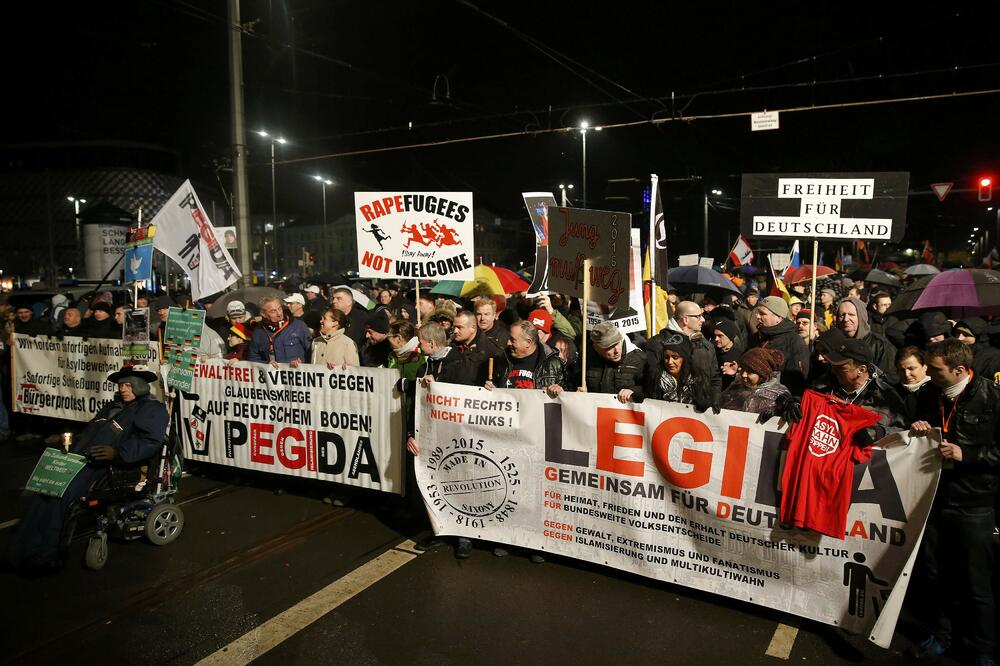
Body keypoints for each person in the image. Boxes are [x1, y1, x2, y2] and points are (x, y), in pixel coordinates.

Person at [6, 366, 168, 573]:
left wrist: (118, 453)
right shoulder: (113, 407)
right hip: (83, 459)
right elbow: (90, 431)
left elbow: (150, 442)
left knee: (63, 494)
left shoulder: (150, 409)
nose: (123, 389)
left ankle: (46, 555)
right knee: (44, 488)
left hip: (113, 466)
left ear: (141, 386)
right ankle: (21, 551)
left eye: (128, 385)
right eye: (121, 385)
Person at [910, 339, 1000, 664]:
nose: (928, 374)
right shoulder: (927, 394)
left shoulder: (993, 396)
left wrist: (968, 454)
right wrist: (917, 428)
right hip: (935, 497)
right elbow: (914, 431)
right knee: (935, 575)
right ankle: (941, 634)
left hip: (975, 504)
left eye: (935, 370)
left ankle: (981, 649)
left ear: (959, 370)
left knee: (976, 583)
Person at [647, 300, 721, 400]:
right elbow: (651, 378)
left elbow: (714, 376)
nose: (703, 319)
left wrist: (714, 397)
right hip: (666, 409)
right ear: (685, 320)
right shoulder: (658, 343)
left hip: (699, 411)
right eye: (698, 316)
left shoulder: (705, 344)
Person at [488, 319, 566, 397]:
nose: (508, 343)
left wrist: (561, 391)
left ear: (528, 342)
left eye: (513, 340)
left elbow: (569, 398)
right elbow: (495, 387)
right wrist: (491, 390)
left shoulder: (553, 364)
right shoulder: (502, 359)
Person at [752, 296, 810, 394]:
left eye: (762, 314)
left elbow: (797, 379)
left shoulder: (794, 341)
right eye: (758, 312)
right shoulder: (757, 337)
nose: (758, 316)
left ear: (778, 317)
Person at [645, 332, 717, 410]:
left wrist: (708, 401)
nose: (669, 362)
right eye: (666, 357)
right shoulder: (655, 377)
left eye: (675, 357)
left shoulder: (698, 379)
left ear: (685, 359)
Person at [836, 297, 898, 384]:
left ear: (861, 317)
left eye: (851, 315)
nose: (846, 319)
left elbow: (890, 379)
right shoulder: (835, 344)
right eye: (842, 315)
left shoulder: (880, 345)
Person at [583, 321, 649, 404]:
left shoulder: (639, 359)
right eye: (609, 347)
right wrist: (577, 393)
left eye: (617, 343)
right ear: (596, 347)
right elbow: (572, 383)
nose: (617, 351)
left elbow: (650, 390)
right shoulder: (586, 358)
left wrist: (634, 391)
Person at [719, 347, 791, 418]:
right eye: (742, 369)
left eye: (750, 372)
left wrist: (777, 413)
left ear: (762, 374)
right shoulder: (735, 388)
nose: (744, 375)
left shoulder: (778, 393)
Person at [247, 297, 312, 367]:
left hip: (297, 375)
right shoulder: (258, 332)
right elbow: (253, 358)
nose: (279, 314)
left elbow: (312, 352)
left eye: (280, 309)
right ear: (263, 314)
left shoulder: (298, 326)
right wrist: (265, 364)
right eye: (273, 311)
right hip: (273, 376)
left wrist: (301, 363)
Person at [451, 310, 504, 383]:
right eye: (454, 327)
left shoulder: (489, 351)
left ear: (472, 328)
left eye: (459, 327)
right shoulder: (451, 345)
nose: (455, 331)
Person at [953, 318, 1000, 385]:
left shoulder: (994, 357)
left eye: (966, 334)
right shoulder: (956, 352)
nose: (959, 338)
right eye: (957, 333)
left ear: (978, 337)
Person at [895, 345, 930, 417]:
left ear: (925, 367)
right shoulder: (892, 393)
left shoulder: (937, 392)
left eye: (911, 369)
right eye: (902, 370)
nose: (907, 374)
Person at [332, 287, 369, 351]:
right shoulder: (330, 315)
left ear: (349, 302)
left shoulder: (361, 317)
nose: (334, 301)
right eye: (333, 298)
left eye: (339, 298)